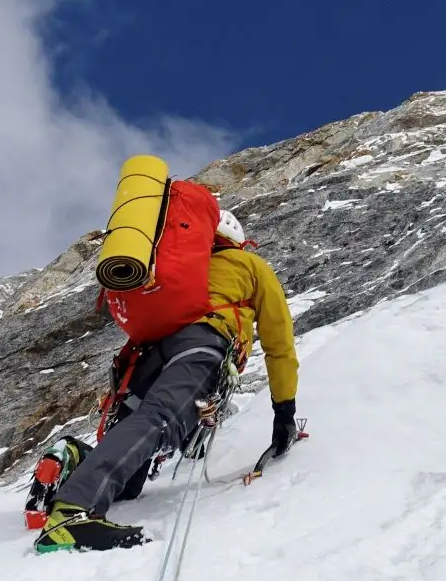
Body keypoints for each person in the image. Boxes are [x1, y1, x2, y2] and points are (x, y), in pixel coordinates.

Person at [34, 208, 302, 552]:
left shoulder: (172, 265)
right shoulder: (250, 265)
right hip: (201, 347)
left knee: (130, 480)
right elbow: (279, 344)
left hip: (145, 358)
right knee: (160, 422)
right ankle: (74, 512)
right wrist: (284, 413)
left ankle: (76, 456)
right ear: (236, 240)